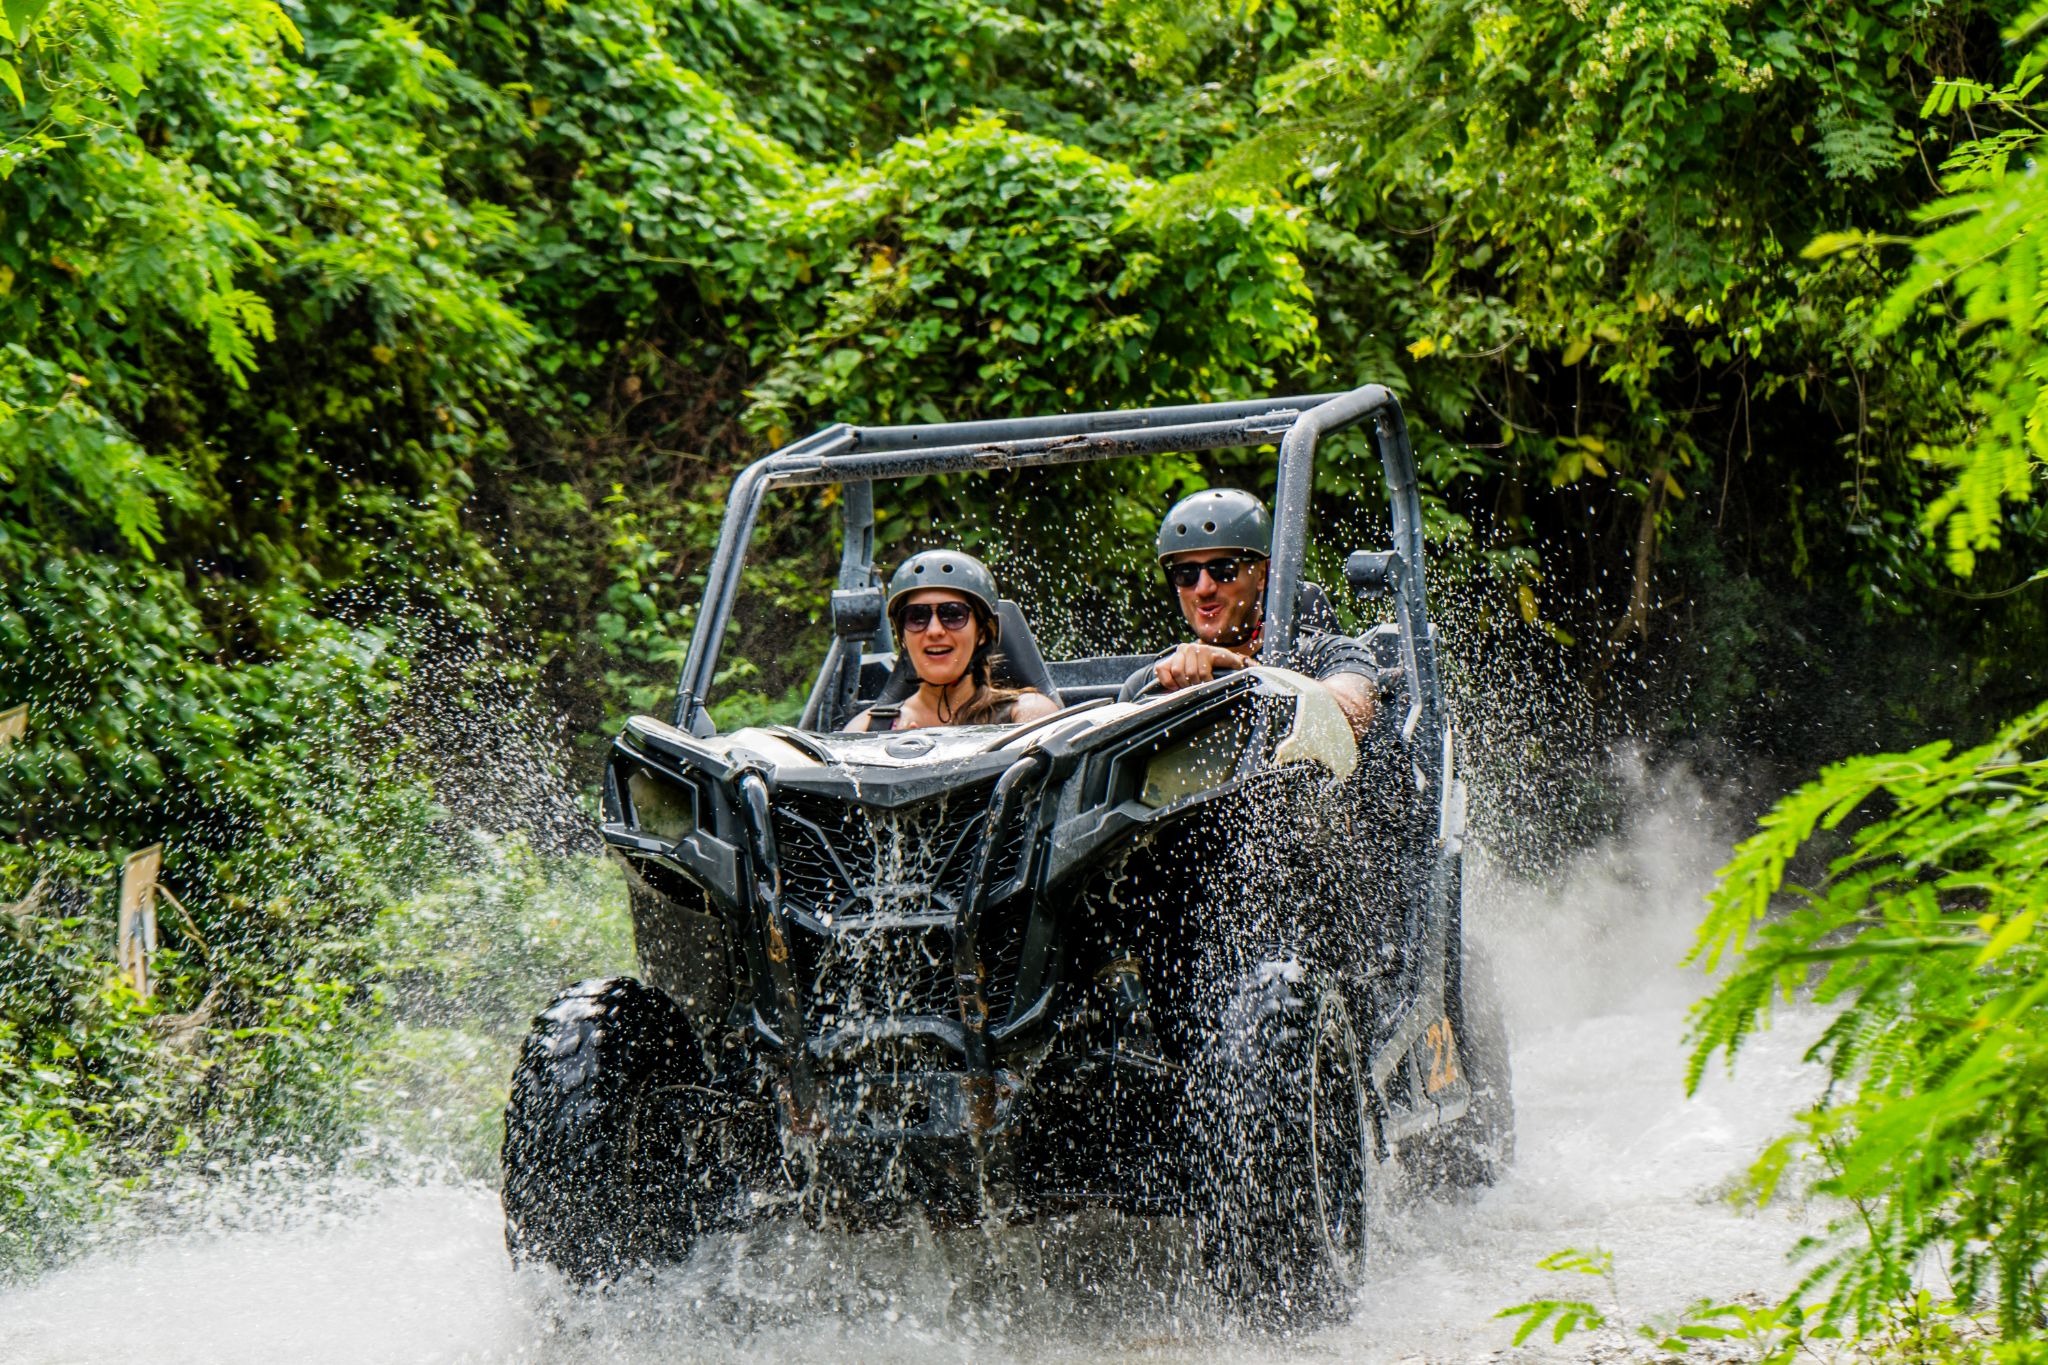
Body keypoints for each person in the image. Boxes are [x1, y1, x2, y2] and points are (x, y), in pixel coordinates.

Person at [1150, 488, 1378, 736]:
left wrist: (1246, 674)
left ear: (1261, 574)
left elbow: (1353, 716)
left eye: (1224, 569)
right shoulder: (1156, 679)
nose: (1204, 588)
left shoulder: (1327, 655)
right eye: (1186, 574)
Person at [845, 550, 1061, 732]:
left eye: (953, 614)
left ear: (983, 632)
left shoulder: (1026, 715)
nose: (934, 630)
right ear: (902, 637)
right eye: (917, 616)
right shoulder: (867, 730)